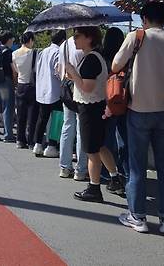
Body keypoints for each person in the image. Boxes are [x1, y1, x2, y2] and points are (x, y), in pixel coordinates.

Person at [112, 2, 164, 234]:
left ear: (144, 18)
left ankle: (138, 217)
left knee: (137, 167)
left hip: (138, 110)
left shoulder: (136, 36)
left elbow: (116, 65)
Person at [65, 26, 119, 203]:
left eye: (78, 35)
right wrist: (74, 75)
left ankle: (94, 188)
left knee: (91, 150)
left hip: (90, 108)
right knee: (101, 146)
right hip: (97, 106)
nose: (74, 39)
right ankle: (114, 177)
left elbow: (87, 88)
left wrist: (73, 73)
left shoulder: (90, 59)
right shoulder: (94, 57)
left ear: (89, 38)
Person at [57, 36, 89, 181]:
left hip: (66, 88)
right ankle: (81, 169)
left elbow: (59, 69)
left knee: (67, 125)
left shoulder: (64, 44)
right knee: (81, 129)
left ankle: (64, 167)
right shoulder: (85, 42)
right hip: (80, 88)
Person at [101, 27, 128, 196]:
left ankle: (108, 172)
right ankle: (125, 172)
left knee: (107, 139)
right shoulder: (124, 57)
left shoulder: (102, 57)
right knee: (124, 139)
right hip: (123, 101)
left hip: (107, 101)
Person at [32, 30, 65, 157]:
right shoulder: (58, 52)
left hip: (42, 90)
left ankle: (37, 144)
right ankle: (51, 146)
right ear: (62, 40)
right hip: (55, 90)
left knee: (42, 118)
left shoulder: (43, 51)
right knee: (57, 118)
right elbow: (58, 71)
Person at [12, 32, 39, 149]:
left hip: (20, 85)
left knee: (21, 115)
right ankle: (31, 141)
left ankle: (20, 139)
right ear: (30, 40)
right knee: (32, 116)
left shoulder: (14, 54)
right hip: (32, 86)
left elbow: (16, 70)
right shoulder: (33, 53)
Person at [0, 31, 16, 142]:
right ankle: (8, 134)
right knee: (7, 107)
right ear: (9, 39)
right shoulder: (8, 52)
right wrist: (15, 81)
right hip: (6, 80)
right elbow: (13, 69)